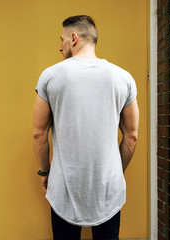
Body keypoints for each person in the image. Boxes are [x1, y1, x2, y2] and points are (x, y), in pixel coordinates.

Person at [32, 15, 139, 240]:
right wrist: (116, 173)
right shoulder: (124, 78)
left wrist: (44, 172)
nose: (59, 46)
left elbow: (39, 133)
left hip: (63, 186)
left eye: (61, 40)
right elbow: (132, 136)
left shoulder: (50, 76)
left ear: (73, 38)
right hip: (108, 186)